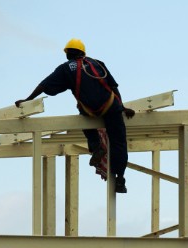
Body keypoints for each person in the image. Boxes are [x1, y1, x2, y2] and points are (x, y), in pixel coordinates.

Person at [15, 39, 135, 193]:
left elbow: (45, 85)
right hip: (110, 106)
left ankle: (96, 146)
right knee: (119, 142)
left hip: (90, 110)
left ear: (68, 54)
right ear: (83, 52)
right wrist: (122, 107)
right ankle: (120, 179)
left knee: (84, 119)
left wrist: (28, 99)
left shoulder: (66, 68)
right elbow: (113, 86)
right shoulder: (97, 63)